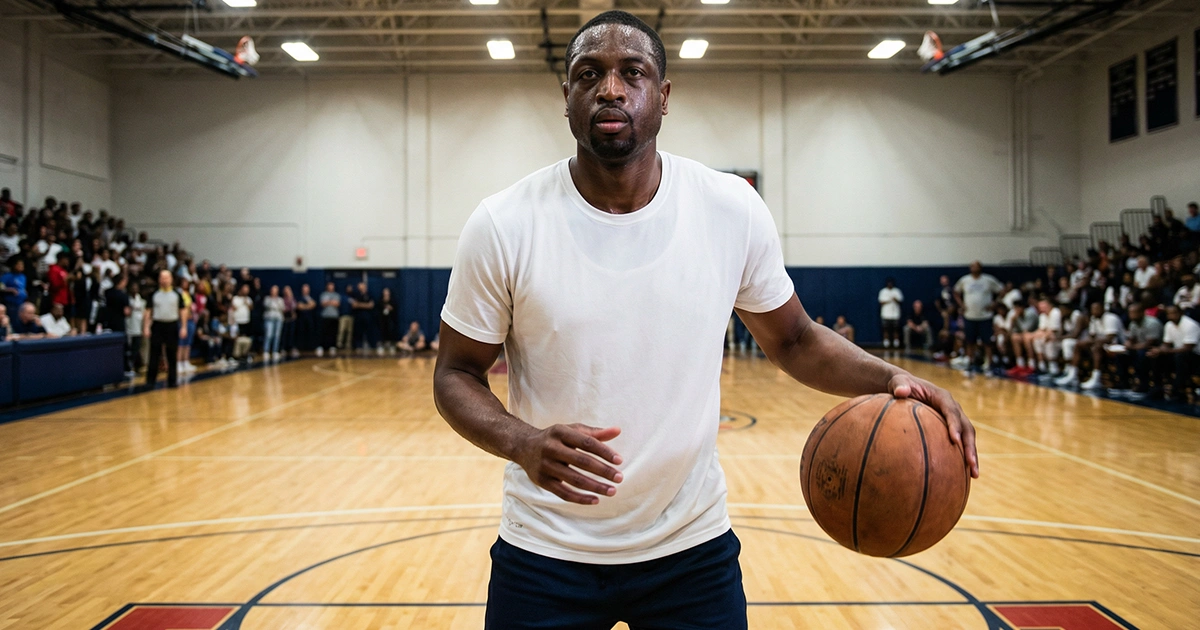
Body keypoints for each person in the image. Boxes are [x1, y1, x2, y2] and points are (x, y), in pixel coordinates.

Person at [432, 12, 977, 628]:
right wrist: (523, 442)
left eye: (631, 73)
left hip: (689, 550)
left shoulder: (730, 208)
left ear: (662, 98)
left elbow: (796, 340)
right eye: (590, 74)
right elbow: (454, 373)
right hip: (545, 549)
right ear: (567, 99)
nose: (611, 88)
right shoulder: (504, 223)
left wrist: (894, 381)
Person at [1056, 302, 1124, 390]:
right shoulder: (1094, 319)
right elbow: (1092, 336)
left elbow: (1109, 338)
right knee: (1079, 344)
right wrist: (1087, 342)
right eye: (1092, 309)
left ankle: (1096, 379)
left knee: (1096, 347)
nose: (1094, 311)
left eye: (1096, 309)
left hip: (1118, 346)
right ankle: (1073, 375)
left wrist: (1091, 341)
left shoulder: (1110, 318)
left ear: (1103, 309)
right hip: (1102, 345)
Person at [953, 261, 1003, 372]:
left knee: (987, 341)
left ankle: (989, 361)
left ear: (980, 268)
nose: (974, 268)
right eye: (972, 266)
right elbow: (956, 291)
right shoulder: (965, 280)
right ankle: (970, 361)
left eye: (976, 266)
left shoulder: (988, 280)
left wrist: (995, 304)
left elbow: (1001, 290)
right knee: (970, 340)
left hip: (985, 316)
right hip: (969, 315)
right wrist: (961, 304)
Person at [1107, 303, 1163, 400]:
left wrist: (1131, 347)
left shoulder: (1152, 323)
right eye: (1130, 313)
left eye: (1134, 312)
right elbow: (1131, 339)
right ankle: (1124, 384)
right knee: (1121, 354)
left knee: (1141, 354)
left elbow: (1149, 343)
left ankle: (1143, 386)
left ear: (1142, 313)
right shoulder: (1133, 323)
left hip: (1156, 351)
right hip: (1138, 348)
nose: (1131, 315)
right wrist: (1127, 344)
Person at [143, 269, 188, 388]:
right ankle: (150, 382)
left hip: (172, 325)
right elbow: (148, 311)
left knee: (172, 355)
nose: (164, 280)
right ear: (159, 279)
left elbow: (183, 310)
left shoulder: (177, 294)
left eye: (166, 277)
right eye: (162, 277)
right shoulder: (154, 294)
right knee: (154, 354)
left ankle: (172, 381)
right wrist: (146, 327)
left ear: (171, 279)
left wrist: (184, 327)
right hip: (157, 325)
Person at [1147, 305, 1200, 401]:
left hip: (1195, 357)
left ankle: (1178, 391)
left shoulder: (1190, 325)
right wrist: (1158, 350)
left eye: (1174, 313)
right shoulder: (1169, 325)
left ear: (1181, 313)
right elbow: (1166, 344)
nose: (1171, 316)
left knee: (1180, 357)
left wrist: (1166, 350)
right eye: (1169, 314)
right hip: (1179, 355)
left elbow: (1188, 348)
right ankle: (1157, 388)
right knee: (1156, 356)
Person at [351, 281, 376, 354]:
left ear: (365, 287)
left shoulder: (370, 294)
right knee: (358, 332)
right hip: (358, 317)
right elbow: (354, 305)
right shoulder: (356, 295)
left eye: (362, 286)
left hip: (368, 317)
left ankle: (372, 346)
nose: (360, 288)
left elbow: (371, 305)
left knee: (369, 332)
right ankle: (358, 346)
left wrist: (359, 304)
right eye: (359, 287)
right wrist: (365, 305)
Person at [877, 278, 903, 349]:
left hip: (895, 314)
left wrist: (895, 299)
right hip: (886, 314)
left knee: (896, 329)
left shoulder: (897, 291)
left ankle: (896, 343)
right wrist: (889, 300)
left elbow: (901, 301)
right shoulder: (883, 291)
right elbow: (881, 301)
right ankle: (886, 343)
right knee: (885, 329)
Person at [262, 285, 285, 363]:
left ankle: (275, 351)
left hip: (278, 319)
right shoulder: (267, 298)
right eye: (273, 290)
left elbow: (282, 308)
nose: (274, 292)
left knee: (277, 335)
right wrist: (275, 306)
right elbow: (268, 306)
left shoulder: (280, 299)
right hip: (269, 318)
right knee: (269, 334)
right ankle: (266, 351)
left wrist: (276, 306)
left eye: (275, 290)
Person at [318, 282, 340, 357]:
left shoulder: (336, 295)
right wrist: (331, 302)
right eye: (329, 286)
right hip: (325, 316)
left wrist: (328, 302)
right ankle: (322, 346)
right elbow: (323, 303)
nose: (331, 287)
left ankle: (332, 346)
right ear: (327, 287)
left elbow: (337, 304)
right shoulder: (323, 294)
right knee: (324, 332)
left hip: (334, 316)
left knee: (333, 332)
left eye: (332, 286)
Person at [296, 283, 317, 355]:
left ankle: (310, 347)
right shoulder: (299, 297)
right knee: (301, 332)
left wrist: (305, 306)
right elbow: (299, 306)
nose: (305, 291)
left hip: (310, 318)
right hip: (301, 318)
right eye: (304, 289)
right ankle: (301, 347)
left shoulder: (310, 297)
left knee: (310, 331)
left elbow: (313, 305)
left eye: (307, 289)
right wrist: (308, 306)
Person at [378, 287, 398, 353]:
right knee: (383, 330)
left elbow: (395, 308)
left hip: (390, 318)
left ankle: (391, 344)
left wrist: (391, 308)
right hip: (383, 318)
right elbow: (379, 308)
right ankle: (383, 344)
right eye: (385, 292)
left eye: (387, 292)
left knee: (391, 330)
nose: (386, 293)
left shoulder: (392, 300)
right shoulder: (381, 300)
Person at [337, 283, 355, 351]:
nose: (350, 289)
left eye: (351, 288)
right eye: (348, 288)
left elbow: (355, 305)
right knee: (341, 330)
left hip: (350, 315)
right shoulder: (342, 296)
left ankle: (348, 344)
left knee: (349, 331)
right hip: (343, 315)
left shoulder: (353, 297)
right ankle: (339, 344)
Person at [282, 285, 298, 359]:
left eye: (288, 290)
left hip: (291, 319)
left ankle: (291, 348)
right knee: (284, 334)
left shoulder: (292, 299)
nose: (287, 292)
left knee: (291, 334)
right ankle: (283, 348)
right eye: (286, 290)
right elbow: (283, 308)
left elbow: (294, 307)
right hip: (285, 318)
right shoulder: (282, 299)